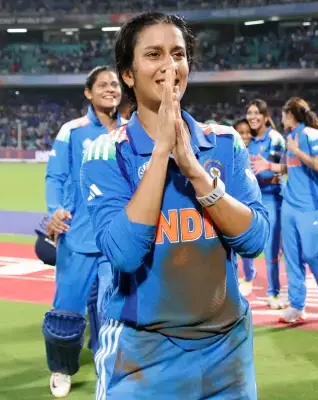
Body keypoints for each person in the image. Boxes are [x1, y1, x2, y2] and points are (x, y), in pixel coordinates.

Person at [80, 12, 268, 399]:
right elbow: (124, 254)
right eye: (154, 55)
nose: (170, 65)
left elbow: (254, 240)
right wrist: (162, 149)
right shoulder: (106, 153)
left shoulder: (224, 143)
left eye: (178, 54)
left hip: (228, 350)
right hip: (141, 353)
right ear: (128, 74)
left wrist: (196, 172)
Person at [43, 66, 124, 398]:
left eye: (115, 84)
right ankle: (62, 367)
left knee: (111, 310)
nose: (111, 88)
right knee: (66, 312)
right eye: (103, 84)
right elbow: (55, 176)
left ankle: (108, 367)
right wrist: (54, 210)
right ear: (89, 93)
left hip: (117, 238)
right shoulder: (72, 131)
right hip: (77, 236)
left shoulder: (131, 131)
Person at [266, 97, 318, 323]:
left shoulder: (311, 135)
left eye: (283, 115)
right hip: (289, 204)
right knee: (292, 257)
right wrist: (269, 167)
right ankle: (297, 305)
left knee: (311, 254)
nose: (281, 119)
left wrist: (296, 150)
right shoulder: (290, 137)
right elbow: (292, 168)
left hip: (310, 205)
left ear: (291, 115)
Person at [244, 99, 286, 309]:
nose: (252, 117)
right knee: (243, 241)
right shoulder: (248, 140)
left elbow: (269, 173)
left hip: (271, 197)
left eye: (256, 113)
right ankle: (247, 279)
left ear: (265, 116)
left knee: (270, 248)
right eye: (249, 113)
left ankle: (273, 293)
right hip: (251, 198)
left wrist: (249, 171)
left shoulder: (274, 138)